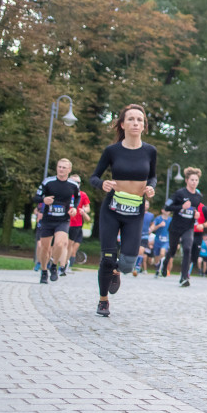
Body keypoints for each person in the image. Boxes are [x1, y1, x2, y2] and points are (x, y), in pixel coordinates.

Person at [90, 104, 158, 317]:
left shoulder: (150, 151)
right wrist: (102, 184)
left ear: (143, 125)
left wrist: (151, 187)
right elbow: (94, 177)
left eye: (139, 119)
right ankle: (103, 301)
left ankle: (117, 271)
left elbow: (153, 176)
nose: (135, 123)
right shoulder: (112, 151)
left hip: (135, 211)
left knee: (128, 263)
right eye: (131, 119)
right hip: (112, 209)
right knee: (108, 258)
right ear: (122, 124)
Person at [34, 158, 81, 283]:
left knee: (60, 244)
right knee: (45, 248)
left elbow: (77, 198)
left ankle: (54, 265)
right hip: (48, 219)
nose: (61, 169)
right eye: (59, 167)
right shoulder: (48, 182)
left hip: (63, 220)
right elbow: (36, 197)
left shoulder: (73, 185)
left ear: (69, 170)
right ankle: (44, 271)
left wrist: (74, 209)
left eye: (64, 168)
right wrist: (43, 200)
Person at [161, 167, 207, 288]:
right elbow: (166, 207)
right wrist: (181, 207)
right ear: (186, 180)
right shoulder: (179, 193)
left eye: (196, 180)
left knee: (187, 249)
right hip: (176, 227)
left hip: (189, 227)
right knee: (172, 250)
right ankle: (165, 263)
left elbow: (195, 210)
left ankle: (184, 277)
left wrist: (196, 214)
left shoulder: (198, 196)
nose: (194, 182)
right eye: (192, 180)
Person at [66, 173, 91, 274]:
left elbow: (88, 208)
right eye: (74, 182)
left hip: (77, 224)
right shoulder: (65, 192)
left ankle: (67, 266)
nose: (76, 184)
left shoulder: (83, 195)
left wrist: (84, 210)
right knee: (63, 245)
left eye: (78, 182)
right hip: (65, 222)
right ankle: (57, 264)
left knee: (72, 248)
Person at [188, 201, 207, 278]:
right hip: (188, 232)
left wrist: (203, 225)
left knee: (195, 255)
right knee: (187, 250)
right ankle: (186, 271)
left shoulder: (203, 208)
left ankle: (201, 272)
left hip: (198, 234)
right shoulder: (187, 205)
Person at [132, 199, 154, 276]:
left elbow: (152, 224)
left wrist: (151, 228)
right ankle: (134, 265)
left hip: (145, 235)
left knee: (141, 250)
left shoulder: (151, 215)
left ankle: (137, 267)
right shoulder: (136, 212)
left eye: (147, 204)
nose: (145, 206)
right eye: (144, 204)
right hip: (136, 234)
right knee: (135, 251)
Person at [150, 208, 171, 276]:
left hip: (166, 241)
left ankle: (161, 269)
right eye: (166, 210)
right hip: (158, 240)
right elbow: (152, 228)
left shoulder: (171, 219)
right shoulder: (158, 219)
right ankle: (157, 266)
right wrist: (159, 225)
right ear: (162, 210)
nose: (168, 211)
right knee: (156, 257)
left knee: (162, 253)